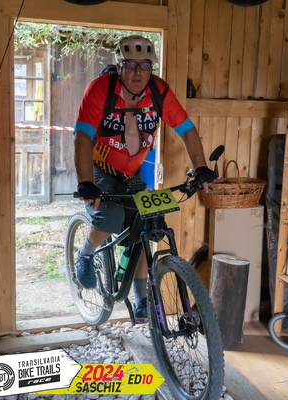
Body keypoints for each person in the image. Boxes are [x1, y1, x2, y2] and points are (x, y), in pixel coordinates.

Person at [73, 35, 216, 322]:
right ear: (119, 66)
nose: (138, 73)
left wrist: (200, 167)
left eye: (145, 65)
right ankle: (86, 253)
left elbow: (187, 130)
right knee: (110, 217)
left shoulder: (159, 91)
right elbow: (82, 136)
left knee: (144, 224)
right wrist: (86, 182)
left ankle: (141, 301)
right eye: (131, 65)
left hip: (133, 172)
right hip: (101, 168)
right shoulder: (100, 89)